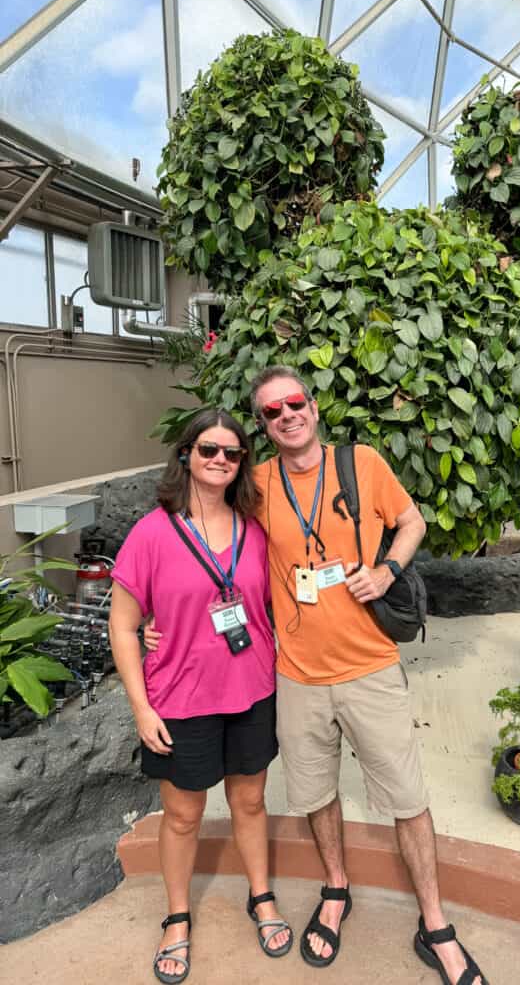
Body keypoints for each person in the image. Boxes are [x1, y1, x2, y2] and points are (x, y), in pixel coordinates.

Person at [248, 365, 487, 985]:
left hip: (370, 667)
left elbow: (413, 522)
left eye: (294, 402)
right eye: (272, 412)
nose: (287, 416)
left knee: (408, 800)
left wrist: (387, 571)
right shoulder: (256, 484)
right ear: (264, 426)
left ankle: (434, 924)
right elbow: (217, 549)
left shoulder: (362, 463)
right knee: (316, 792)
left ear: (314, 406)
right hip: (297, 674)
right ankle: (335, 886)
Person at [109, 408, 292, 985]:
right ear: (186, 453)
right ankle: (178, 917)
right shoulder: (152, 532)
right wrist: (140, 706)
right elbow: (121, 623)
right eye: (209, 449)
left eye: (232, 453)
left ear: (242, 464)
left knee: (251, 803)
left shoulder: (254, 527)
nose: (220, 460)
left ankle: (260, 897)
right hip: (180, 697)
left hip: (252, 689)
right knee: (184, 815)